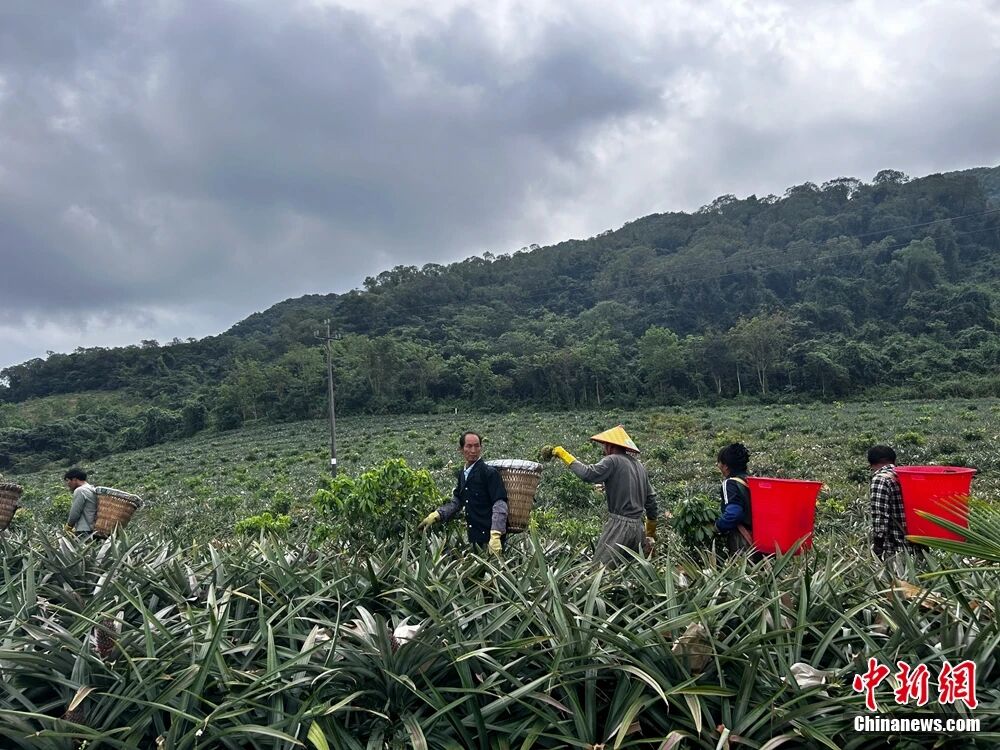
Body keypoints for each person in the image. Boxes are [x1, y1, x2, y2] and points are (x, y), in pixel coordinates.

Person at [548, 425, 658, 567]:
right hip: (638, 528)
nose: (604, 450)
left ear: (610, 446)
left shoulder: (612, 460)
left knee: (600, 571)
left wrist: (564, 455)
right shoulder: (639, 466)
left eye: (605, 446)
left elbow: (588, 474)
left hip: (620, 527)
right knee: (630, 573)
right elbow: (651, 500)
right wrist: (650, 530)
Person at [418, 431, 508, 554]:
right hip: (475, 536)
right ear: (461, 449)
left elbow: (500, 503)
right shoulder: (463, 474)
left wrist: (496, 534)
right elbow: (458, 501)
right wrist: (438, 514)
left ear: (481, 448)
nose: (473, 450)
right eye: (469, 446)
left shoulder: (489, 473)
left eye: (477, 446)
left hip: (490, 538)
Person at [867, 445, 913, 560]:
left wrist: (878, 547)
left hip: (896, 549)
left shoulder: (880, 479)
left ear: (871, 463)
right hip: (918, 545)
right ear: (894, 460)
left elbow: (880, 516)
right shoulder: (907, 475)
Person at [713, 443, 753, 555]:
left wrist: (717, 526)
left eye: (719, 462)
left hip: (744, 541)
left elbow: (734, 514)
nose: (718, 465)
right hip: (759, 538)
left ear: (726, 466)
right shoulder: (750, 480)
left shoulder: (730, 483)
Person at [63, 467, 98, 538]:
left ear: (74, 479)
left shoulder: (80, 490)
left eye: (68, 480)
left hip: (84, 530)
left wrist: (69, 526)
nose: (67, 484)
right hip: (94, 528)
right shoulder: (92, 489)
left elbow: (75, 512)